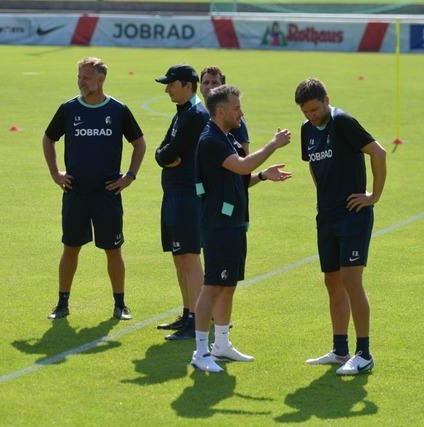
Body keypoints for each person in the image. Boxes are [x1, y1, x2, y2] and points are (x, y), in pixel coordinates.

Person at [190, 85, 291, 372]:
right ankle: (200, 352)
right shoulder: (211, 140)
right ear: (221, 111)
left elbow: (241, 177)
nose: (241, 113)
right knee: (212, 286)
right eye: (236, 109)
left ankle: (221, 344)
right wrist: (272, 145)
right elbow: (242, 166)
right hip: (218, 225)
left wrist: (263, 176)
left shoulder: (228, 138)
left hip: (233, 223)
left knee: (228, 284)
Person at [42, 57, 146, 320]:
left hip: (107, 194)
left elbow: (139, 143)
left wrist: (130, 176)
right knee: (70, 247)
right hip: (75, 192)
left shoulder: (118, 110)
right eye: (79, 76)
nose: (81, 81)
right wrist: (55, 173)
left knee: (113, 250)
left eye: (86, 77)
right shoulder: (68, 109)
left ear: (100, 80)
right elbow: (48, 139)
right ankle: (62, 303)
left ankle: (120, 304)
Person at [295, 78, 386, 375]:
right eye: (305, 111)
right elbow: (312, 163)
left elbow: (379, 152)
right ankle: (339, 349)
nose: (310, 115)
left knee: (350, 279)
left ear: (326, 99)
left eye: (314, 109)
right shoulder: (306, 130)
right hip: (327, 216)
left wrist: (373, 196)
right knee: (331, 281)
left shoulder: (343, 122)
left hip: (353, 215)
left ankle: (364, 353)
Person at [153, 65, 208, 340]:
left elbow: (171, 152)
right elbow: (162, 151)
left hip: (187, 194)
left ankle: (198, 318)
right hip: (174, 193)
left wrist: (164, 155)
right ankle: (188, 313)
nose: (166, 89)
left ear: (187, 85)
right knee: (179, 257)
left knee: (189, 256)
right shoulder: (183, 113)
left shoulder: (196, 115)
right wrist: (163, 155)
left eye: (171, 84)